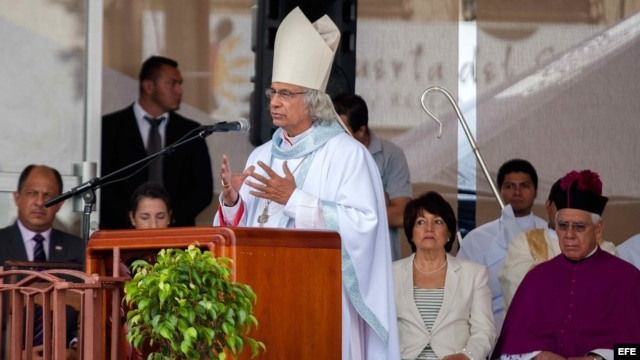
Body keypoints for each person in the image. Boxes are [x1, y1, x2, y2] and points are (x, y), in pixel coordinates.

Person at [213, 7, 400, 359]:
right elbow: (249, 226)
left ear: (313, 100)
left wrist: (296, 200)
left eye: (286, 94)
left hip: (319, 296)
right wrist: (232, 202)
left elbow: (365, 226)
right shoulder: (262, 155)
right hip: (259, 294)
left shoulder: (347, 155)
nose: (275, 102)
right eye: (272, 93)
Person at [492, 169, 640, 360]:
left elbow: (634, 352)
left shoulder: (628, 278)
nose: (569, 235)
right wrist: (537, 355)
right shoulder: (537, 278)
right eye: (562, 226)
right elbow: (507, 349)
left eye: (579, 227)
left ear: (598, 228)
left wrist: (598, 358)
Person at [101, 55, 213, 230]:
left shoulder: (191, 132)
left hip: (177, 236)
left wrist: (167, 219)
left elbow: (202, 190)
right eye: (171, 83)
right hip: (120, 232)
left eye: (180, 84)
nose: (179, 90)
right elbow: (104, 186)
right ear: (148, 86)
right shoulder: (109, 128)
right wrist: (135, 220)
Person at [393, 192, 496, 360]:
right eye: (420, 222)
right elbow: (381, 329)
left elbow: (485, 330)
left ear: (449, 234)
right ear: (411, 233)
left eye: (438, 222)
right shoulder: (391, 274)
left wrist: (466, 356)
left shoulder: (474, 273)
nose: (429, 228)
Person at [0, 165, 84, 357]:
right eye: (32, 193)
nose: (39, 202)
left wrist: (74, 349)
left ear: (60, 204)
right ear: (17, 197)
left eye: (48, 196)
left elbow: (88, 312)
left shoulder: (78, 248)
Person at [499, 178, 618, 309]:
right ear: (548, 206)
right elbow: (515, 281)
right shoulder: (524, 242)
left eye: (579, 224)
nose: (570, 233)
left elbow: (607, 293)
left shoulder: (605, 249)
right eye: (563, 209)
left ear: (597, 227)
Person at [457, 158, 546, 331]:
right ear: (500, 190)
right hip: (492, 330)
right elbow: (462, 291)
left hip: (542, 327)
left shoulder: (552, 234)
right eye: (510, 186)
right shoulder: (476, 239)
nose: (517, 192)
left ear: (535, 192)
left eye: (524, 186)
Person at [333, 93, 412, 261]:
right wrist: (377, 201)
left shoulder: (392, 155)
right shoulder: (327, 155)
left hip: (380, 261)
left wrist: (340, 210)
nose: (334, 138)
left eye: (342, 132)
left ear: (361, 131)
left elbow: (400, 216)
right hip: (336, 260)